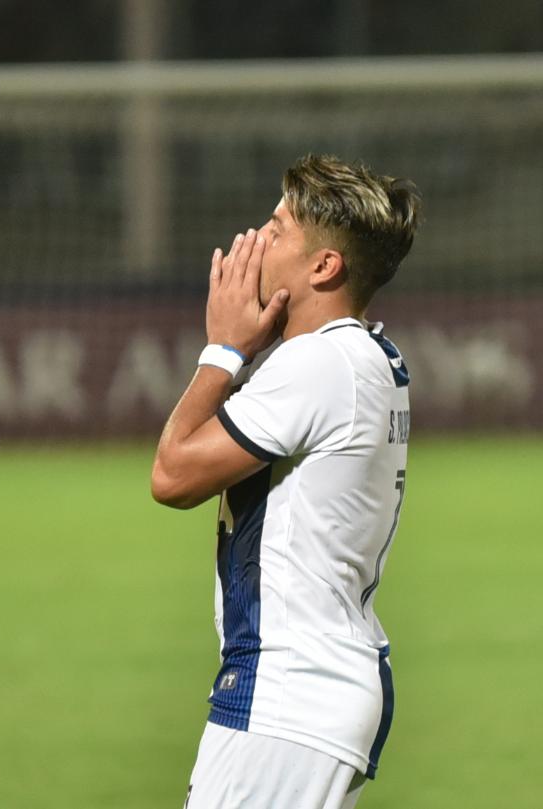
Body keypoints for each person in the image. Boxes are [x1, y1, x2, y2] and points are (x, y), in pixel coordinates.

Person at [150, 155, 421, 809]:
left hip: (291, 696)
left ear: (323, 267)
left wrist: (222, 348)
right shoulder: (361, 353)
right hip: (318, 689)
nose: (255, 242)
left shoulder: (320, 362)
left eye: (276, 229)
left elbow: (173, 474)